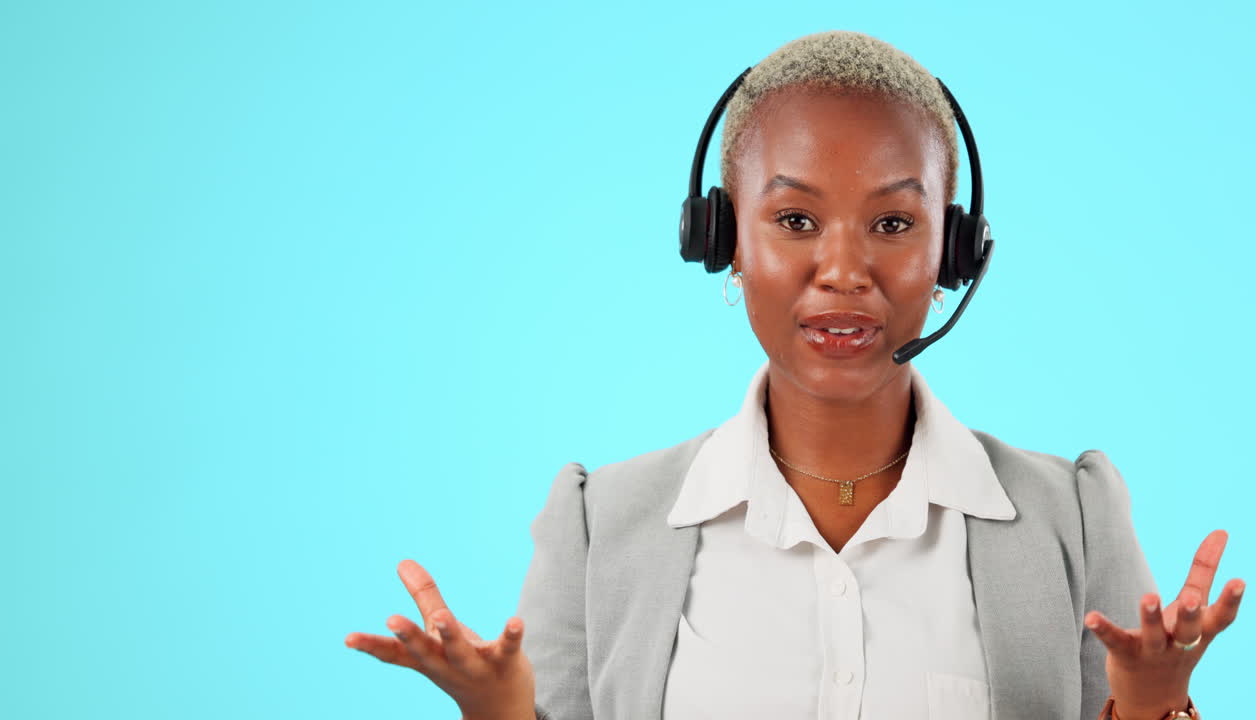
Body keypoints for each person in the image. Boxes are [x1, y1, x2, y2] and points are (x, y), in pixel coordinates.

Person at [344, 30, 1244, 720]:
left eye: (893, 224)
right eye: (796, 221)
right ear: (723, 239)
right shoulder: (600, 526)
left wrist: (1155, 707)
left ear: (955, 252)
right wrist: (501, 715)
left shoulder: (1072, 517)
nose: (843, 271)